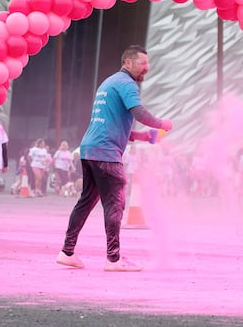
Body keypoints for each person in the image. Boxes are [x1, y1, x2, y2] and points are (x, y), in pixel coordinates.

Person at [57, 45, 172, 272]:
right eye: (142, 64)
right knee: (115, 203)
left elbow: (112, 122)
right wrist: (162, 124)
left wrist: (143, 136)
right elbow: (138, 112)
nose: (146, 68)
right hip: (106, 154)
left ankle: (67, 252)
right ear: (127, 63)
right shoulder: (127, 83)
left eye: (148, 64)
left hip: (89, 148)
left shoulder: (109, 83)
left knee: (86, 202)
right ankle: (113, 258)